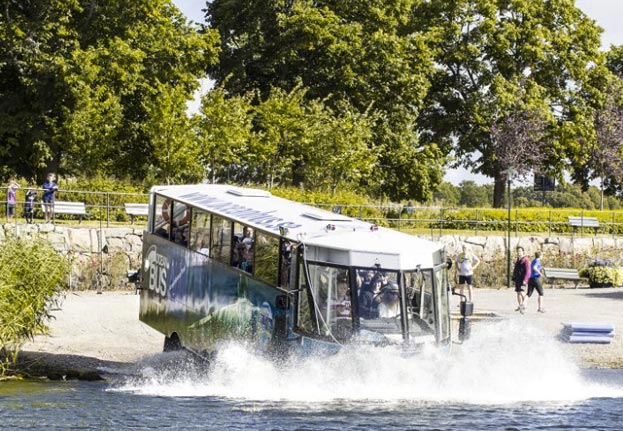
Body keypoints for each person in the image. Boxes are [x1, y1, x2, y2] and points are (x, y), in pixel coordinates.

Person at [512, 246, 531, 314]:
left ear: (523, 252)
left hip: (523, 280)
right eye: (518, 251)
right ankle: (520, 305)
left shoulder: (526, 260)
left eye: (520, 251)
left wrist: (525, 280)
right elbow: (515, 270)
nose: (519, 252)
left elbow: (528, 271)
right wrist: (513, 278)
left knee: (522, 292)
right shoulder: (518, 260)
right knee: (518, 292)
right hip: (517, 279)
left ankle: (524, 306)